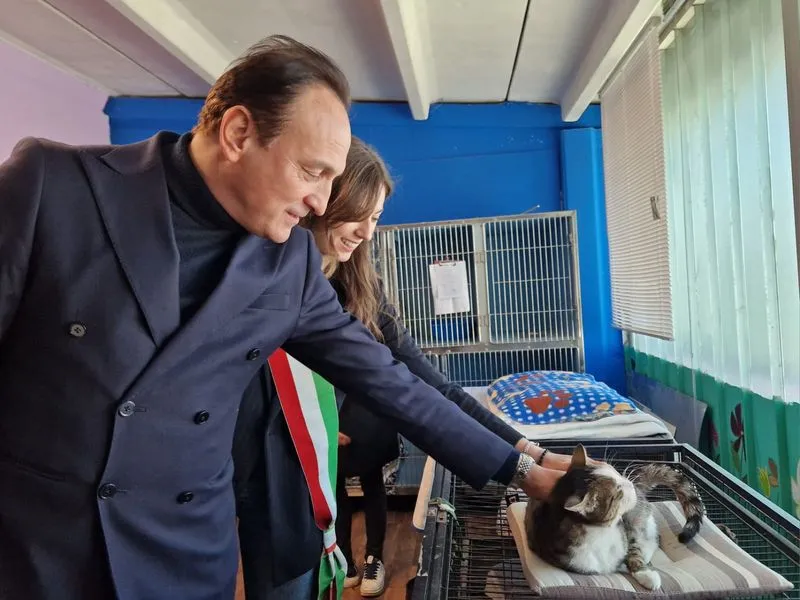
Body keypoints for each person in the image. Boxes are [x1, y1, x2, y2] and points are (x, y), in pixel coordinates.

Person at [0, 35, 561, 600]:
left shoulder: (289, 263)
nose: (322, 203)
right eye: (312, 172)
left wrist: (522, 470)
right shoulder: (53, 185)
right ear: (238, 133)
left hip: (185, 554)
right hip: (44, 550)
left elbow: (394, 381)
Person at [232, 137, 579, 599]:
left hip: (312, 473)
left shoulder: (360, 292)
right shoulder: (264, 278)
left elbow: (427, 388)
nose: (367, 232)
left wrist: (529, 455)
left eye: (376, 217)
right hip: (256, 470)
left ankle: (368, 558)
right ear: (318, 202)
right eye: (358, 213)